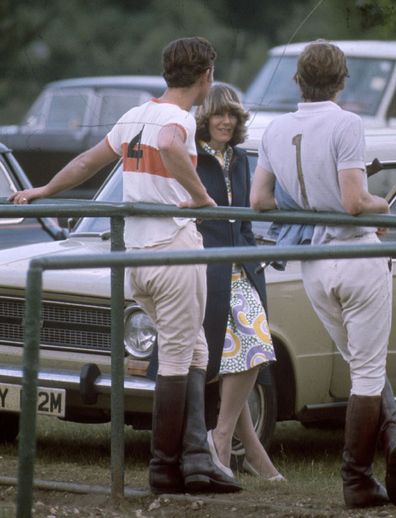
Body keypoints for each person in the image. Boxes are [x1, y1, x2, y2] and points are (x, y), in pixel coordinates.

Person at [10, 37, 241, 495]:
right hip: (172, 248)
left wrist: (43, 190)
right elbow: (173, 146)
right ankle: (163, 467)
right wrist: (201, 197)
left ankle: (195, 462)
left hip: (137, 256)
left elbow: (86, 161)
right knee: (179, 355)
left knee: (193, 349)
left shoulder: (135, 115)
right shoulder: (176, 119)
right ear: (205, 76)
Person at [250, 39, 396, 508]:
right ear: (342, 80)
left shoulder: (275, 128)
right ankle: (356, 478)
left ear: (298, 79)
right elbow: (355, 201)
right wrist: (382, 206)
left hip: (314, 261)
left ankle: (384, 452)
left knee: (360, 365)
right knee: (369, 374)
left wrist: (309, 200)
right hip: (356, 254)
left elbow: (260, 201)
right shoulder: (347, 123)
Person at [195, 84, 284, 481]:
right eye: (218, 114)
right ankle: (245, 450)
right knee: (245, 352)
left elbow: (246, 218)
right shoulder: (193, 156)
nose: (226, 121)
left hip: (241, 267)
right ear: (205, 118)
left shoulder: (242, 157)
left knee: (253, 348)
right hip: (208, 269)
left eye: (232, 115)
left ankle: (225, 439)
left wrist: (251, 256)